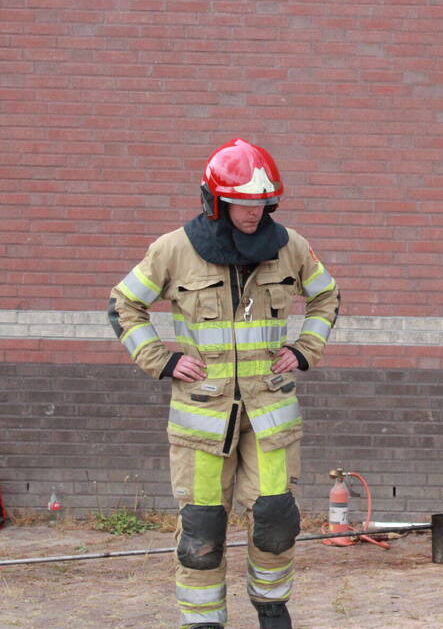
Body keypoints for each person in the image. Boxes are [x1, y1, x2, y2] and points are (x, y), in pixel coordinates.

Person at [108, 139, 340, 629]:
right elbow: (124, 305)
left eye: (261, 203)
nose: (253, 214)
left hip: (270, 416)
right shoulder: (173, 250)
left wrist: (303, 351)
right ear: (216, 200)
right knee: (202, 530)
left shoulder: (290, 248)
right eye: (242, 203)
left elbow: (326, 298)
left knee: (276, 522)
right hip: (203, 419)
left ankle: (272, 608)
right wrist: (161, 360)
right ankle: (204, 621)